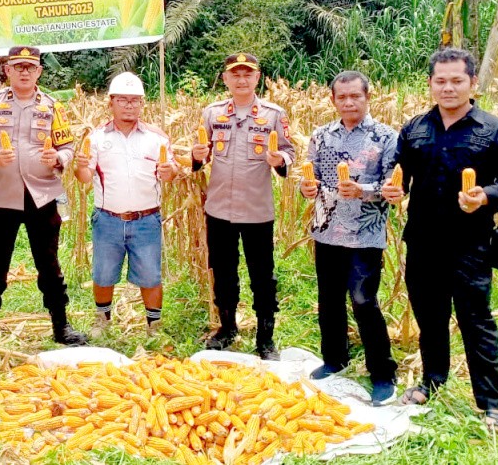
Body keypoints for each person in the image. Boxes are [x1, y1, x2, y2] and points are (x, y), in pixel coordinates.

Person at [381, 48, 498, 431]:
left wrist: (487, 196)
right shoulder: (415, 129)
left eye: (457, 80)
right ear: (430, 84)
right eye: (440, 81)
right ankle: (432, 381)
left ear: (473, 83)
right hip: (423, 240)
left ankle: (491, 404)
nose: (448, 88)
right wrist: (395, 191)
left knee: (476, 320)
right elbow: (401, 175)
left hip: (471, 244)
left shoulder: (495, 131)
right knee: (430, 317)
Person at [0, 46, 88, 347]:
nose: (24, 72)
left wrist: (58, 160)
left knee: (49, 265)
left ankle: (61, 326)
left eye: (30, 67)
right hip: (2, 198)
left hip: (42, 195)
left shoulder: (52, 106)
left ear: (39, 72)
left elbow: (68, 148)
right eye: (18, 66)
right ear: (7, 70)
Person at [299, 71, 399, 405]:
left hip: (365, 234)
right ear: (333, 100)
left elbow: (393, 187)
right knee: (328, 299)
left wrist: (362, 190)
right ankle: (334, 359)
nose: (349, 102)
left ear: (368, 96)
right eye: (342, 97)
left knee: (363, 301)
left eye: (355, 96)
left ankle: (383, 373)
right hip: (326, 229)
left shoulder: (385, 137)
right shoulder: (321, 136)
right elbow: (309, 179)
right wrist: (305, 188)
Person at [192, 53, 295, 359]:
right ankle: (227, 329)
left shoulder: (274, 115)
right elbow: (201, 157)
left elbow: (289, 152)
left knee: (262, 275)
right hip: (220, 209)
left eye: (247, 74)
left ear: (257, 78)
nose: (241, 79)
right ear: (225, 79)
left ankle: (265, 338)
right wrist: (197, 155)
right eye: (234, 74)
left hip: (256, 211)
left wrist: (280, 161)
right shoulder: (212, 114)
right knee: (223, 272)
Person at [73, 72, 178, 337]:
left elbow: (171, 171)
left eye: (135, 100)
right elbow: (85, 178)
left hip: (146, 219)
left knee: (151, 274)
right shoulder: (96, 138)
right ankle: (102, 320)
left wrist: (169, 172)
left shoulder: (156, 138)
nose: (129, 105)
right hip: (108, 218)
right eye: (123, 100)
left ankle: (154, 326)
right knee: (103, 272)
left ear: (142, 104)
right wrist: (80, 168)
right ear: (111, 103)